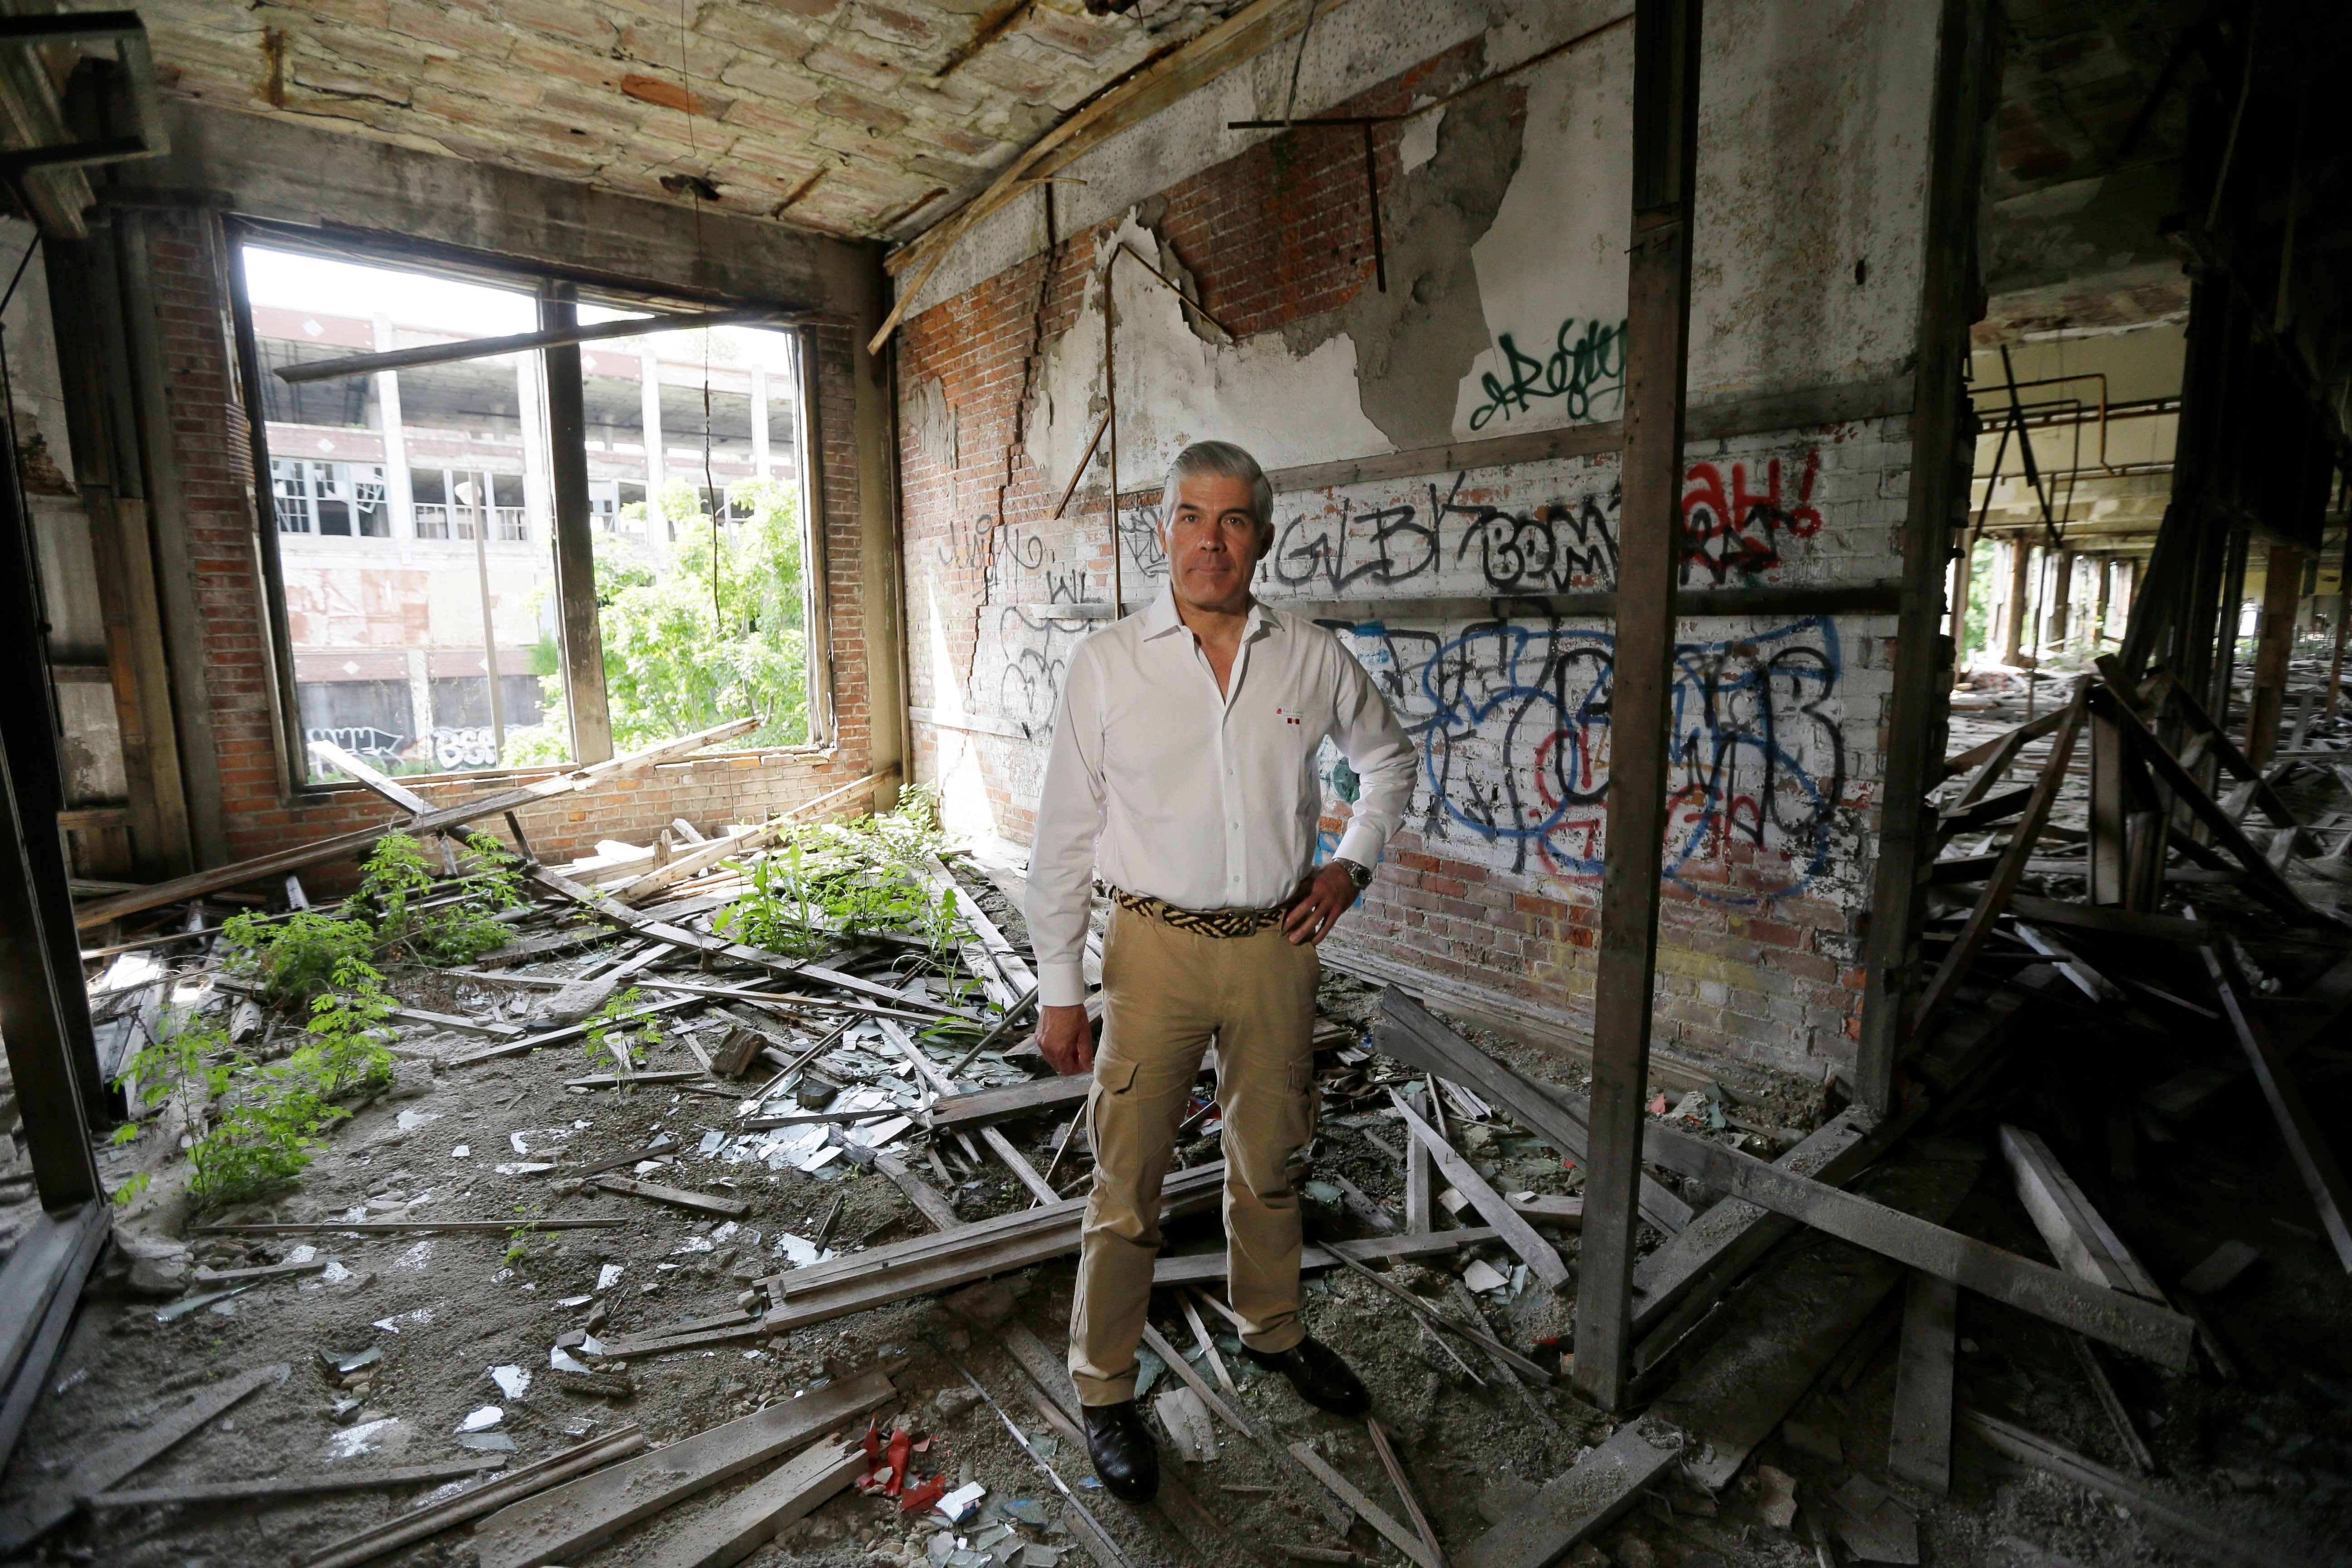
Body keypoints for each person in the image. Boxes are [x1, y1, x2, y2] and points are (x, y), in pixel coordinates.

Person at [1025, 440, 1416, 1503]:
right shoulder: (1110, 664)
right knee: (1128, 1179)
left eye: (1234, 519)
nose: (1212, 539)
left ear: (1264, 536)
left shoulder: (1310, 656)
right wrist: (1063, 982)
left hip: (1276, 949)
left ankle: (1274, 1333)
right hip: (1149, 949)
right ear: (1162, 530)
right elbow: (1063, 832)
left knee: (1272, 1157)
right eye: (1191, 517)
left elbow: (1388, 760)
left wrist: (1350, 865)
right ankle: (1105, 1389)